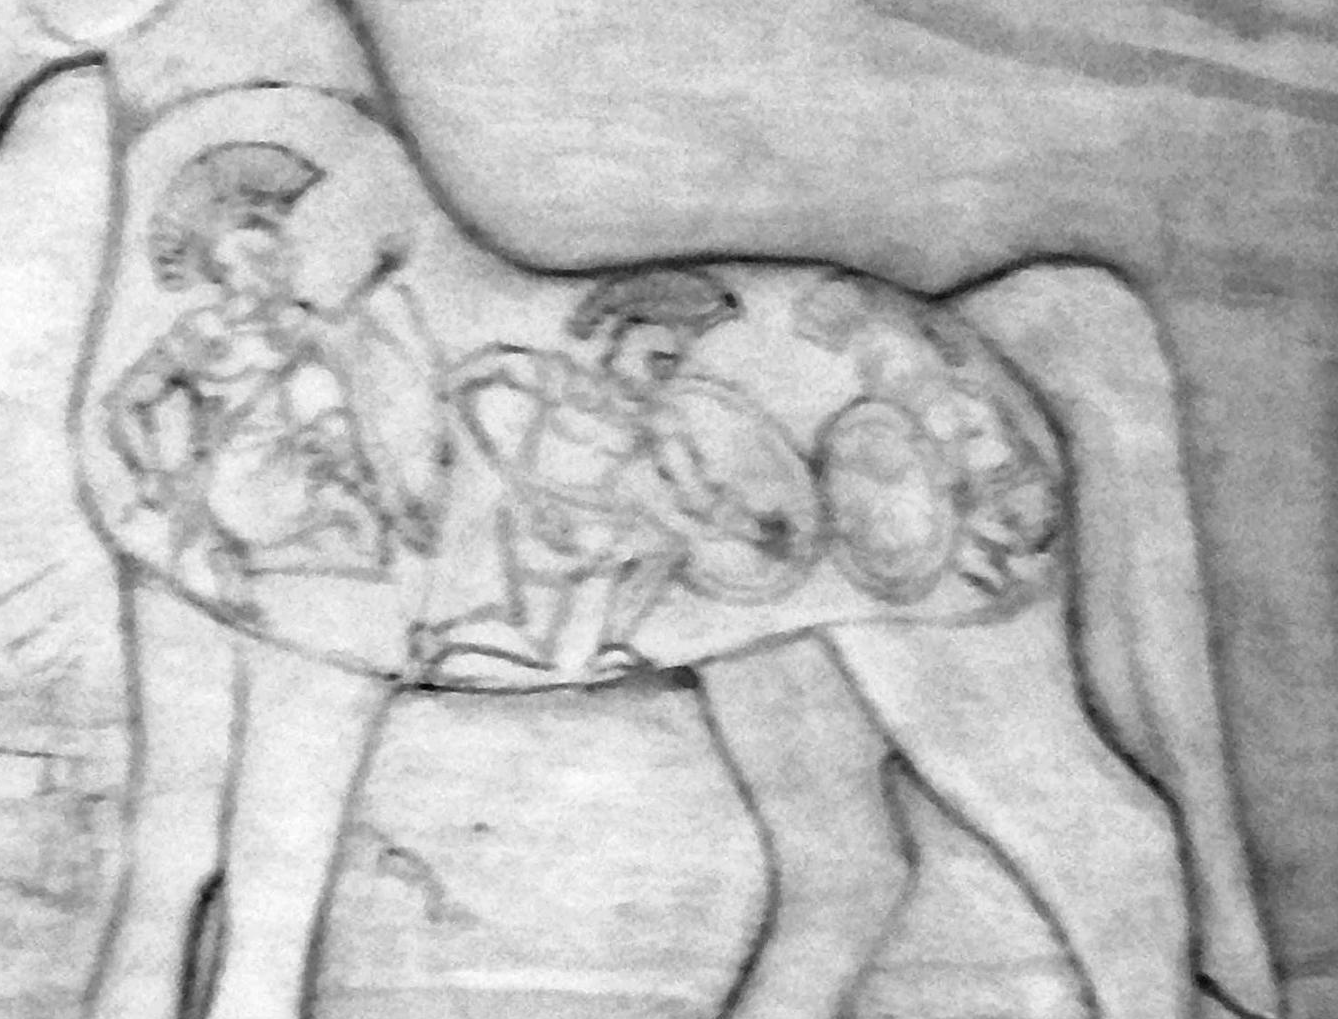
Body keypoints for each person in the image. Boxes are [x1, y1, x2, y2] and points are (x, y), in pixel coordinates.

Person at [416, 266, 815, 681]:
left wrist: (755, 530)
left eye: (673, 363)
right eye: (659, 360)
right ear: (620, 342)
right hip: (535, 521)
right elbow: (485, 370)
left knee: (657, 545)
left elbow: (696, 496)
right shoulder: (565, 381)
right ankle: (468, 644)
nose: (668, 372)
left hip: (592, 534)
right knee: (568, 597)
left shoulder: (657, 420)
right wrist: (498, 469)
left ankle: (596, 647)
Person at [104, 143, 396, 589]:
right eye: (265, 261)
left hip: (300, 478)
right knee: (311, 382)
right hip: (238, 492)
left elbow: (342, 327)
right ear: (229, 267)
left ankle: (348, 507)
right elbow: (126, 402)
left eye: (281, 257)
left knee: (317, 382)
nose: (284, 269)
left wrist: (379, 274)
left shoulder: (294, 323)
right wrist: (151, 475)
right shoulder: (205, 333)